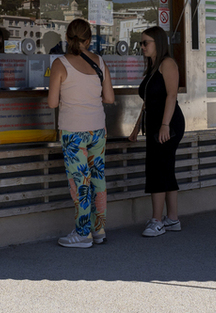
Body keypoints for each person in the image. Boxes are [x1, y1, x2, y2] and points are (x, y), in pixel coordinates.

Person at [48, 18, 114, 248]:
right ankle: (99, 229)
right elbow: (109, 98)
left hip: (74, 132)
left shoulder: (60, 64)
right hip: (98, 130)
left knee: (80, 181)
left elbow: (53, 102)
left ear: (67, 37)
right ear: (89, 40)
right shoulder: (100, 62)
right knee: (98, 179)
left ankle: (82, 233)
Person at [128, 26, 186, 237]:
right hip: (155, 123)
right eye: (141, 43)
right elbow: (148, 102)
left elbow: (171, 96)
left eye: (146, 43)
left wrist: (165, 125)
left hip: (167, 123)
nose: (142, 47)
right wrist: (136, 127)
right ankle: (172, 218)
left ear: (158, 44)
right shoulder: (153, 67)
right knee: (165, 168)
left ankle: (157, 221)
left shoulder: (167, 63)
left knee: (157, 169)